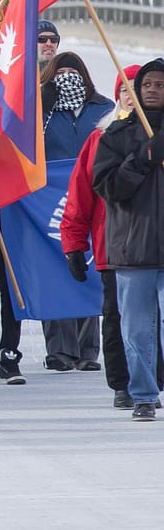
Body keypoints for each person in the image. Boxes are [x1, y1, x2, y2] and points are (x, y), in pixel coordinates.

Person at [62, 65, 141, 409]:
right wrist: (74, 244)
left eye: (141, 90)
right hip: (115, 245)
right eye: (126, 90)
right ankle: (123, 383)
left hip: (157, 246)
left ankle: (151, 379)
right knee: (117, 317)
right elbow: (80, 195)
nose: (133, 97)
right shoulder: (100, 139)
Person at [92, 59, 164, 421]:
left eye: (160, 85)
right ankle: (143, 394)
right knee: (137, 329)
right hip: (134, 248)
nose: (152, 90)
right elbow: (108, 187)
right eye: (147, 84)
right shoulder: (116, 136)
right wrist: (144, 158)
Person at [38, 52, 113, 372]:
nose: (67, 77)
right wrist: (42, 104)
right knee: (55, 271)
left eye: (74, 72)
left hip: (91, 197)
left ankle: (87, 350)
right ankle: (59, 349)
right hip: (47, 199)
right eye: (61, 72)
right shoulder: (41, 108)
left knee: (89, 267)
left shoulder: (103, 109)